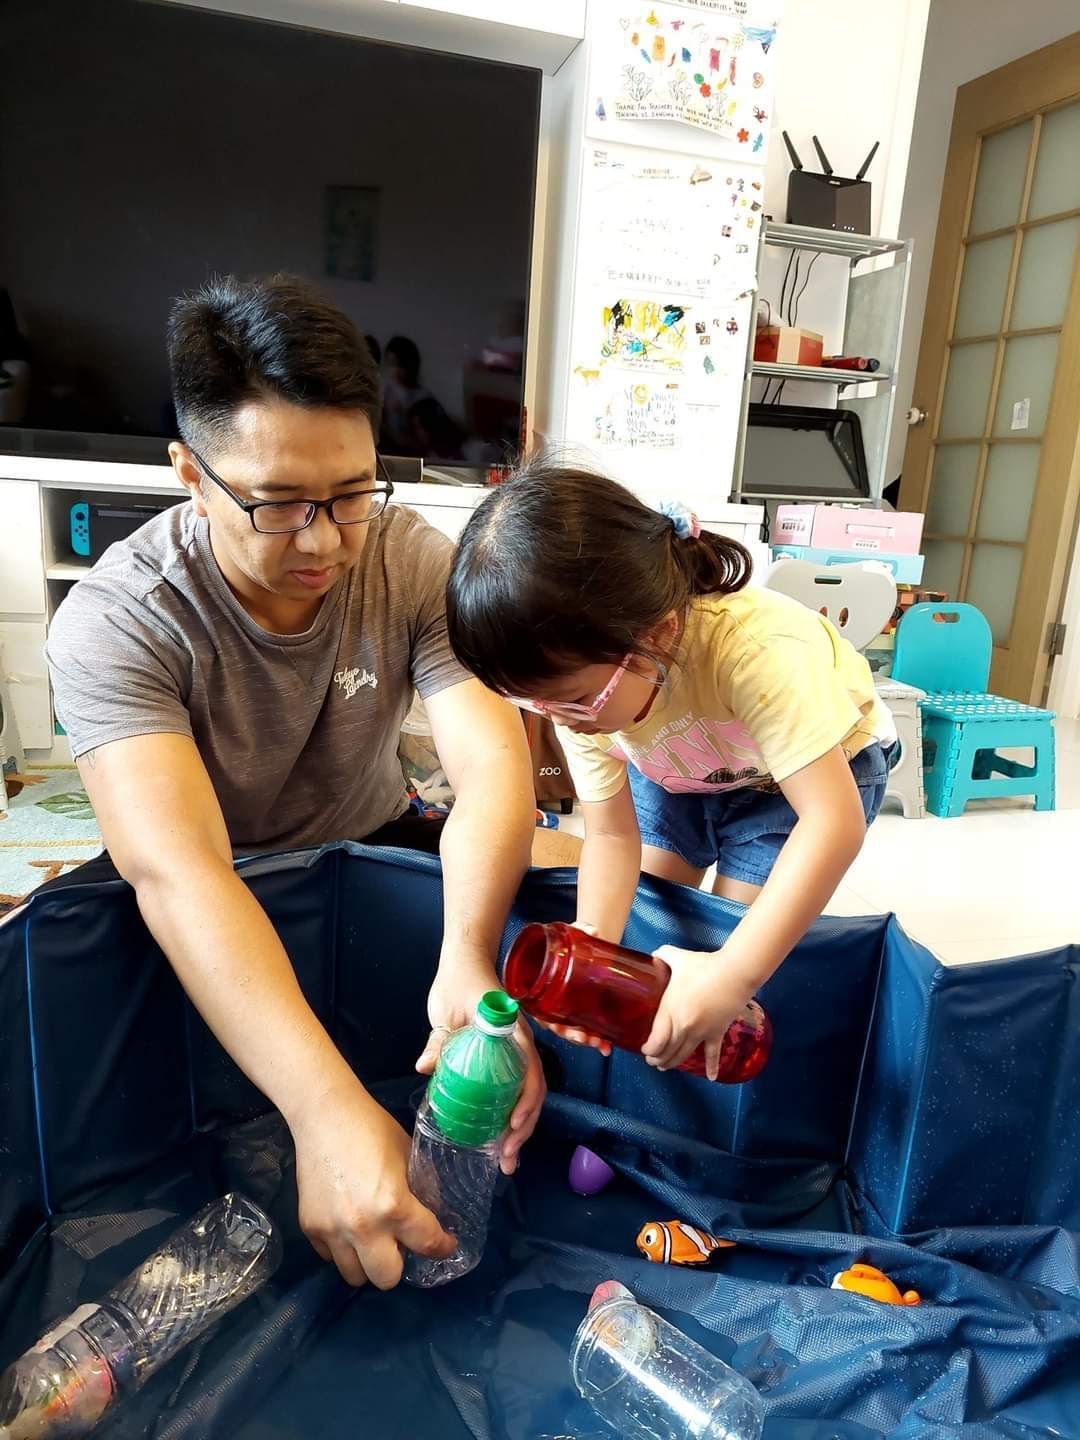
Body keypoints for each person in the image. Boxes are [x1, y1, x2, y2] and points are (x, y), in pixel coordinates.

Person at [44, 274, 544, 1289]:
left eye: (352, 493)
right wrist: (322, 1113)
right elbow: (181, 875)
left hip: (367, 846)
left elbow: (494, 768)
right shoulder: (120, 618)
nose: (324, 539)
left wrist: (468, 959)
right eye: (277, 505)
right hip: (206, 873)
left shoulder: (408, 560)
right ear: (190, 470)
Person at [446, 459, 895, 1079]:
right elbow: (608, 834)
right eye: (533, 702)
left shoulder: (755, 654)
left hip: (796, 785)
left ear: (654, 634)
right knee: (653, 930)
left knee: (726, 946)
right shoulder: (580, 697)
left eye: (573, 701)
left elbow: (832, 823)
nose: (559, 721)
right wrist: (593, 947)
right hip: (679, 769)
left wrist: (732, 973)